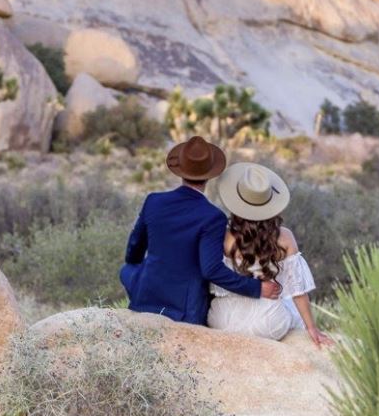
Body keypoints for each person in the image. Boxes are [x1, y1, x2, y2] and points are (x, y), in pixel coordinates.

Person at [120, 136, 282, 325]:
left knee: (127, 270)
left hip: (146, 296)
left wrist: (139, 267)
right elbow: (211, 270)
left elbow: (134, 248)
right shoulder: (213, 216)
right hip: (185, 308)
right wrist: (257, 288)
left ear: (180, 171)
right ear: (208, 175)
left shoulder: (153, 201)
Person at [206, 162, 334, 348]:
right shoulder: (285, 237)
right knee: (288, 304)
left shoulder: (223, 236)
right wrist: (312, 328)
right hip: (267, 322)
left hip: (223, 319)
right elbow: (297, 290)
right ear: (270, 204)